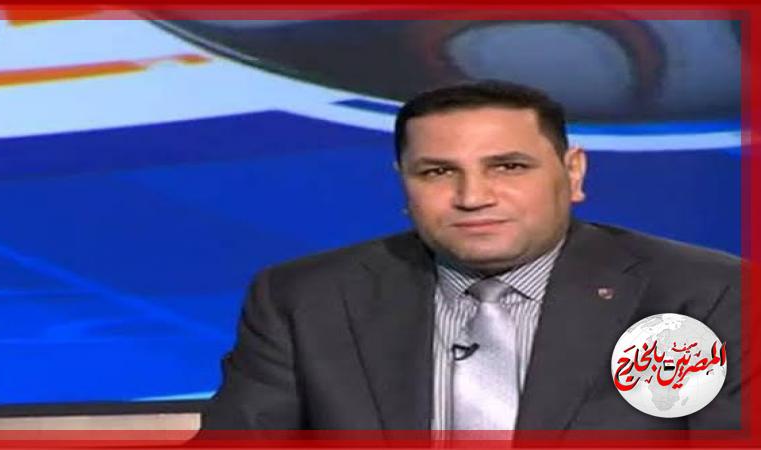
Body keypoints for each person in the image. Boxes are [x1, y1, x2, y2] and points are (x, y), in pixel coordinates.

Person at [200, 80, 741, 431]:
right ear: (404, 184)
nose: (473, 196)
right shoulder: (306, 300)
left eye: (508, 167)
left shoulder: (700, 296)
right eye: (438, 172)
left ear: (573, 173)